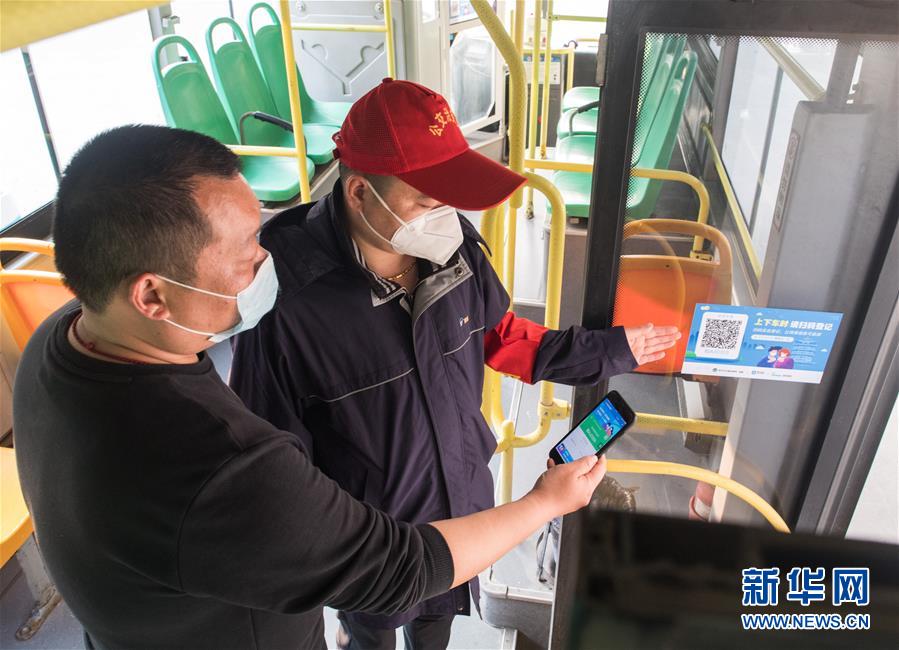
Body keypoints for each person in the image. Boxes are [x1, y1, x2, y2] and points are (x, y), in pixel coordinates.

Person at [12, 124, 608, 650]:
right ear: (152, 295)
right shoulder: (224, 465)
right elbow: (398, 569)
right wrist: (543, 503)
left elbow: (500, 337)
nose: (266, 260)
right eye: (246, 253)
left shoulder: (57, 344)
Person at [230, 79, 680, 650]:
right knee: (372, 637)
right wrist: (325, 557)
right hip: (373, 546)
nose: (445, 215)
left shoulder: (449, 248)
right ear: (360, 193)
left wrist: (609, 350)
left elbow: (500, 337)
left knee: (435, 629)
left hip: (460, 512)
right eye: (428, 201)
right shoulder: (284, 300)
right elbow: (273, 455)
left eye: (451, 199)